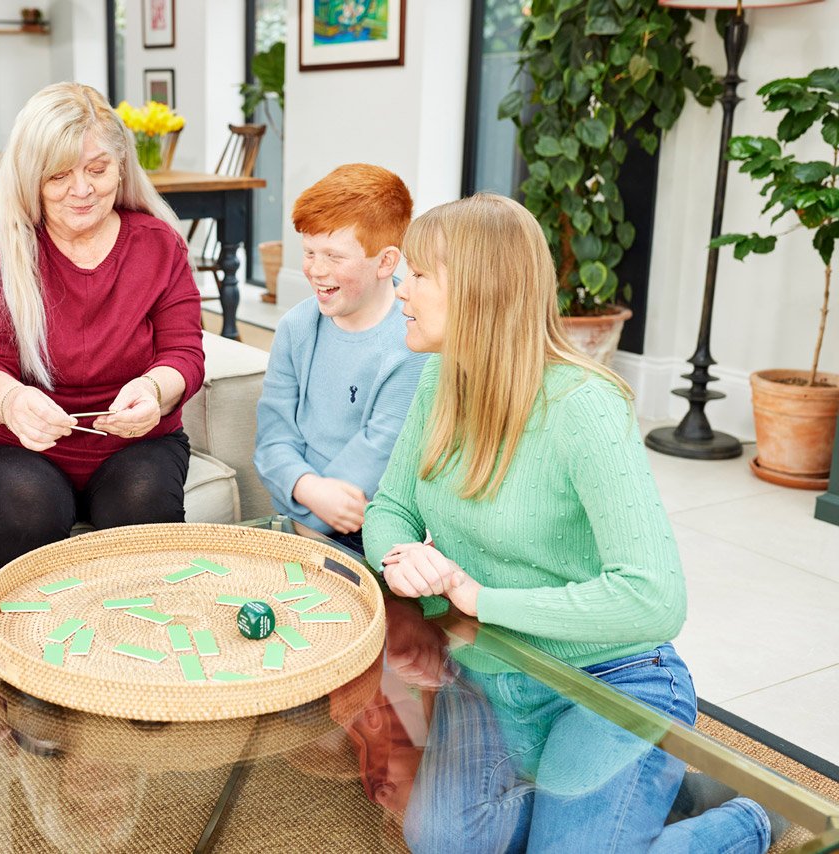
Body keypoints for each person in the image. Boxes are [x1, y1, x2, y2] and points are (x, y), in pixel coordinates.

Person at [363, 193, 777, 852]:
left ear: (477, 289)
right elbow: (389, 508)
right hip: (491, 674)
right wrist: (400, 555)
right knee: (441, 844)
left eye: (417, 274)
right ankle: (644, 798)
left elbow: (655, 599)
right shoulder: (441, 376)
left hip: (607, 681)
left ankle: (743, 822)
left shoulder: (586, 406)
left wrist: (480, 599)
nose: (398, 284)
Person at [0, 82, 204, 570]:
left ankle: (144, 638)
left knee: (144, 503)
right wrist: (11, 401)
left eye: (98, 169)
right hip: (16, 443)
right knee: (27, 507)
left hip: (135, 441)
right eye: (59, 176)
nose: (82, 190)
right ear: (29, 177)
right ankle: (22, 643)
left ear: (122, 166)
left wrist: (153, 390)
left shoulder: (159, 244)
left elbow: (184, 353)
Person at [254, 164, 427, 552]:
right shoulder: (296, 327)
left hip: (373, 532)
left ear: (385, 262)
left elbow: (374, 463)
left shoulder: (413, 343)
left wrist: (301, 505)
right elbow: (272, 439)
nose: (316, 269)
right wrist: (307, 489)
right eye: (310, 252)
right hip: (298, 514)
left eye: (335, 256)